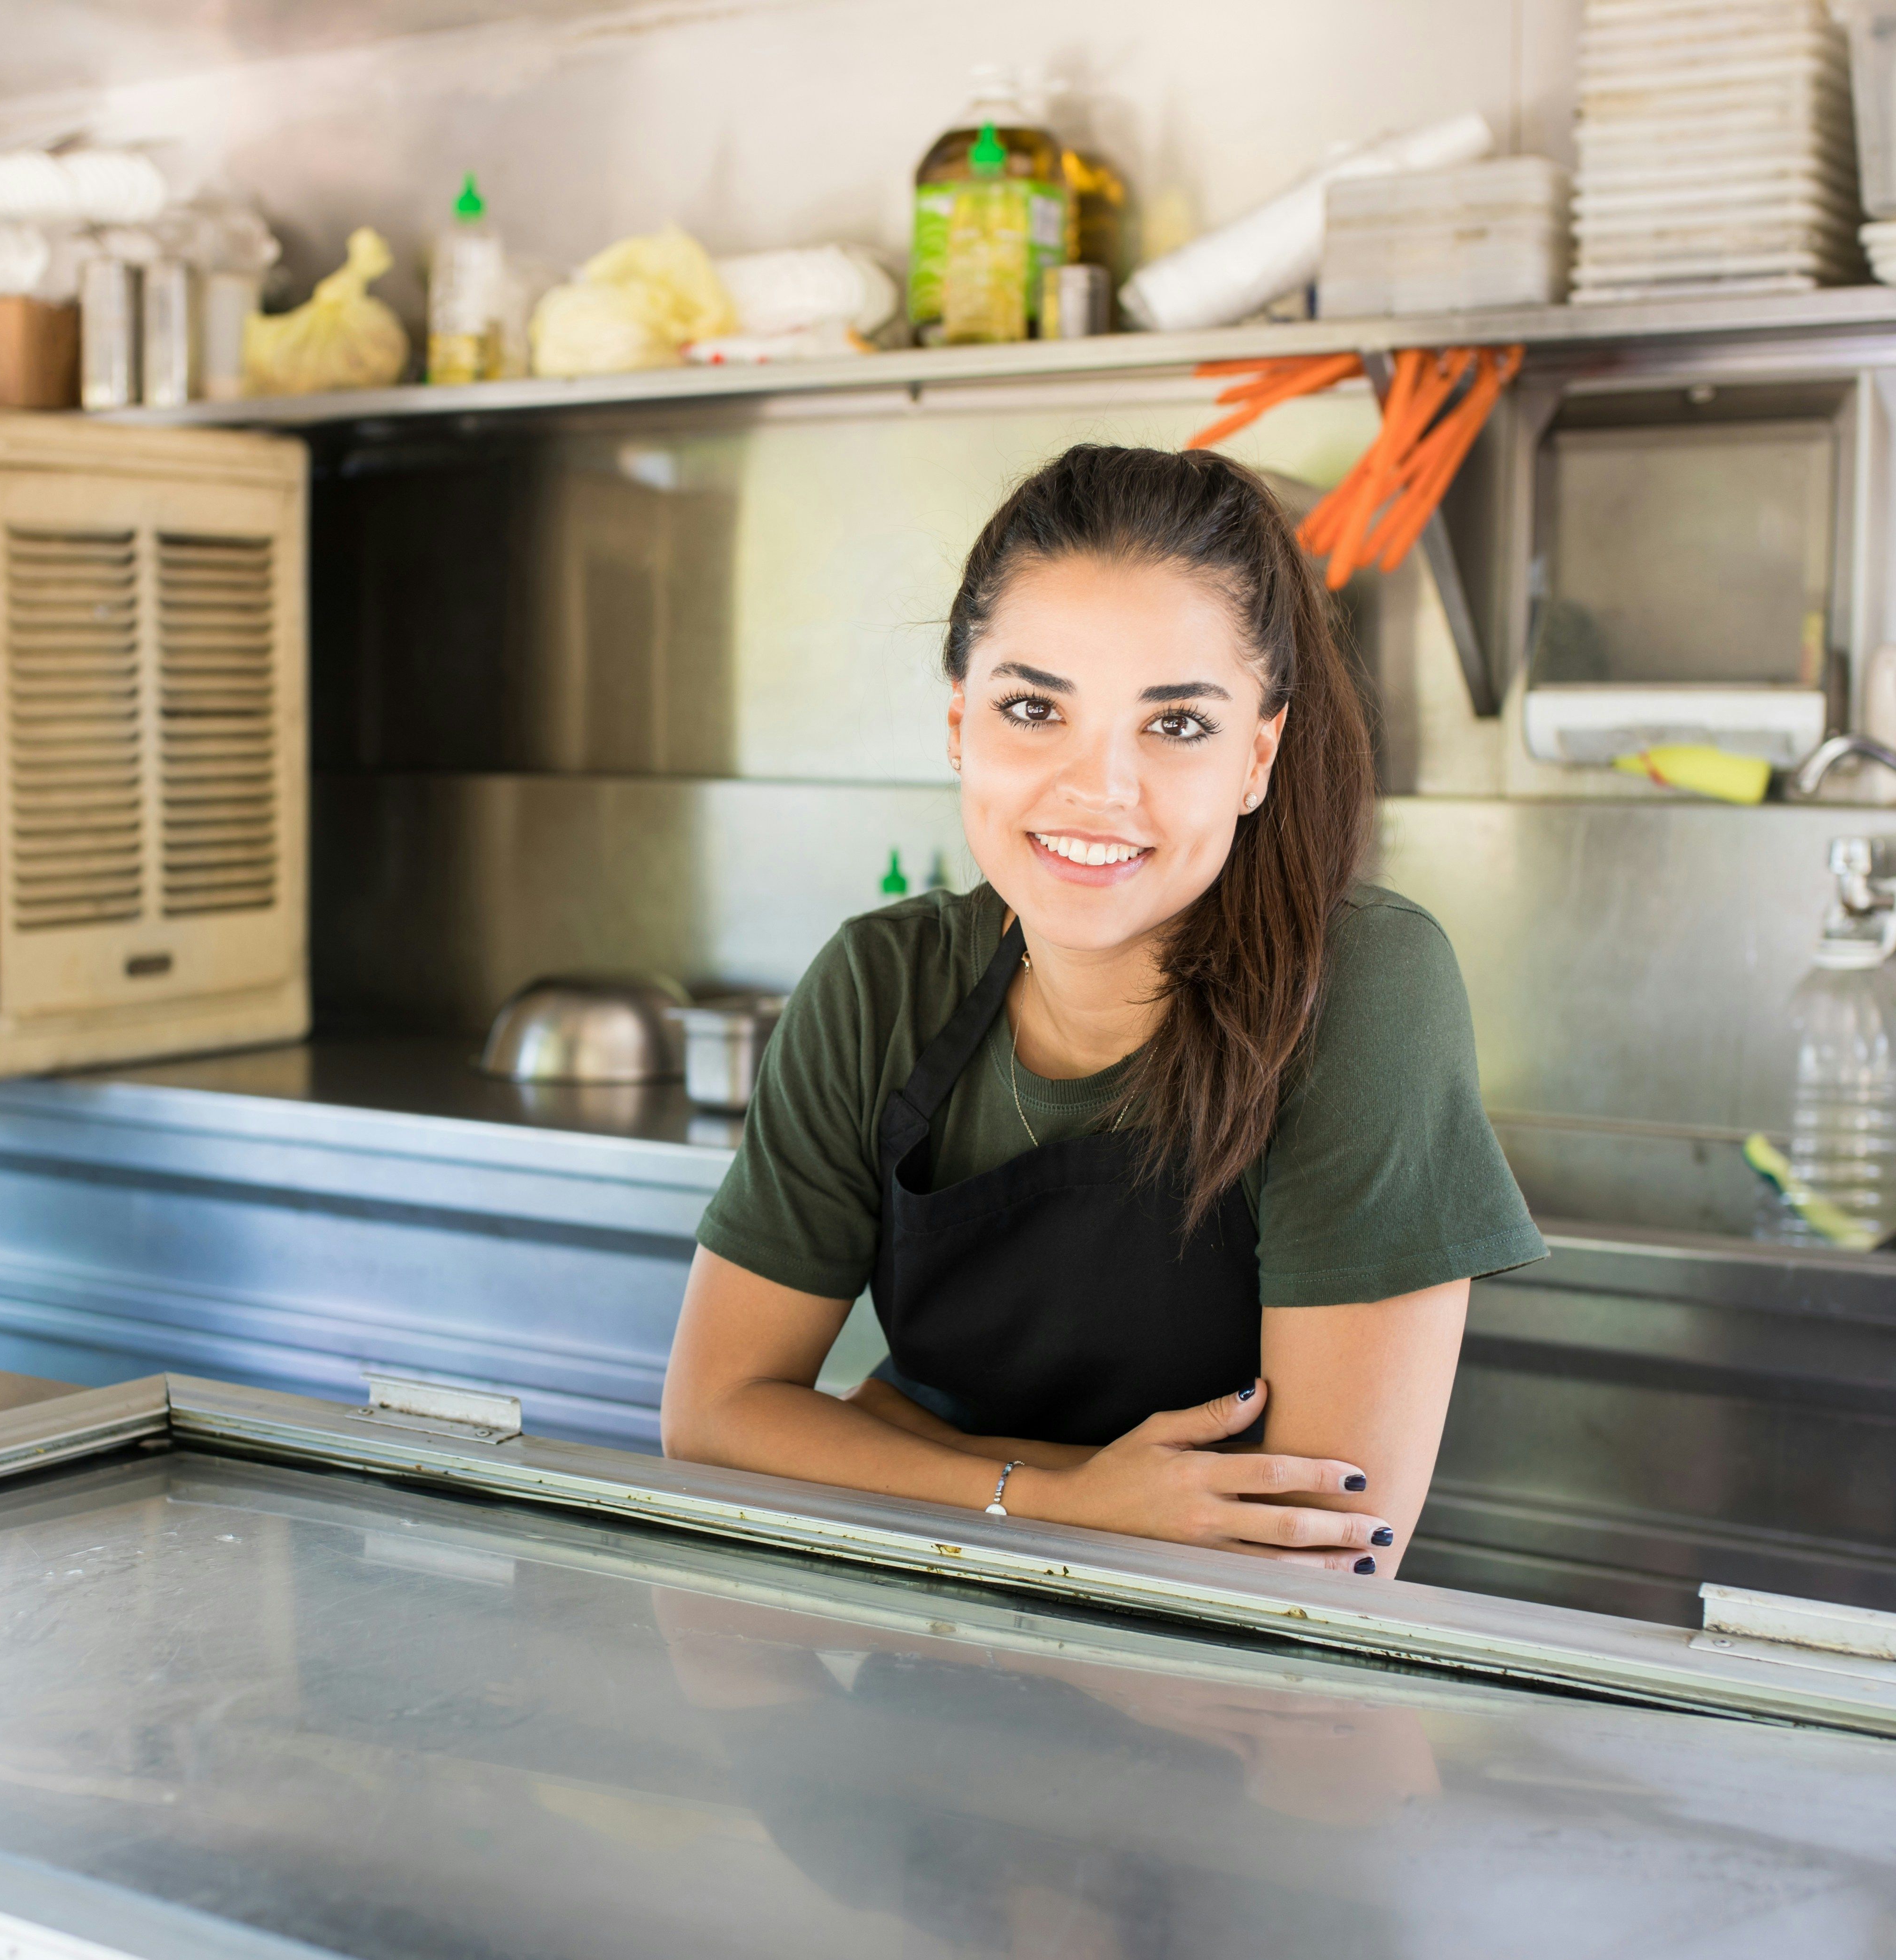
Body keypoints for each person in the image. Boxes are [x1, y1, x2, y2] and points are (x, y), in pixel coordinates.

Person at [661, 443, 1543, 1575]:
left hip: (1226, 1672)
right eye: (1033, 708)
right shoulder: (877, 985)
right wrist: (1062, 1497)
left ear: (1258, 756)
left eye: (1175, 725)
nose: (1098, 789)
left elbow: (1321, 1552)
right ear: (959, 725)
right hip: (919, 1634)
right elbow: (712, 1419)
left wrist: (888, 1437)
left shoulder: (1364, 988)